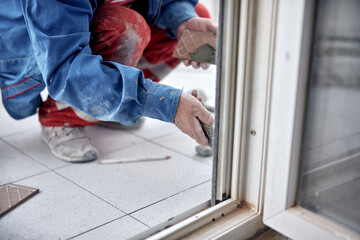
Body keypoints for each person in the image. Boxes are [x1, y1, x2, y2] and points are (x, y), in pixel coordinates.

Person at [0, 0, 216, 162]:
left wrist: (181, 18)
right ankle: (61, 118)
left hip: (81, 29)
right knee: (126, 29)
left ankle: (115, 103)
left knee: (196, 16)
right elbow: (66, 71)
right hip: (35, 49)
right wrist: (167, 104)